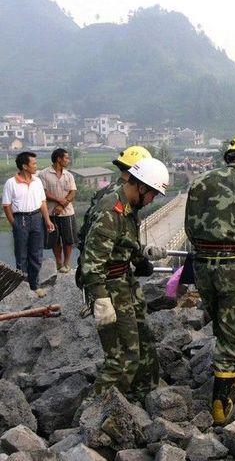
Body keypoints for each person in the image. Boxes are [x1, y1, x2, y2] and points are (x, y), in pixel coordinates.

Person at [184, 133, 235, 426]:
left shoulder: (199, 183)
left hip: (201, 265)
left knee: (222, 324)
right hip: (232, 264)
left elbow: (189, 228)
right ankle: (220, 400)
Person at [80, 157, 169, 401]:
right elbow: (92, 261)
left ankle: (135, 398)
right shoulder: (112, 210)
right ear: (141, 187)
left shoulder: (129, 208)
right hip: (109, 286)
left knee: (139, 345)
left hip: (122, 281)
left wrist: (144, 254)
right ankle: (95, 412)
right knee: (121, 358)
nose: (152, 200)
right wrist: (101, 300)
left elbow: (124, 244)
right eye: (153, 194)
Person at [76, 146, 152, 288]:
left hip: (91, 267)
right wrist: (142, 262)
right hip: (110, 275)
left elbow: (85, 232)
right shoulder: (129, 196)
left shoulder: (102, 193)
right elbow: (127, 239)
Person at [2, 152, 55, 298]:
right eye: (34, 164)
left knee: (36, 254)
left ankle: (35, 285)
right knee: (21, 255)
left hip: (36, 217)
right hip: (20, 219)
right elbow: (6, 206)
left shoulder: (37, 181)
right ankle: (23, 287)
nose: (36, 166)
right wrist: (14, 223)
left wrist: (47, 220)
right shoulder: (11, 183)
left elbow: (42, 202)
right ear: (25, 166)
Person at [39, 148, 78, 273]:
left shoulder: (69, 175)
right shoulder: (44, 174)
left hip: (67, 212)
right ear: (58, 159)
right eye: (66, 158)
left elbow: (73, 192)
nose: (68, 160)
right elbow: (43, 193)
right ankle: (58, 262)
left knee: (68, 240)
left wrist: (62, 205)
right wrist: (58, 200)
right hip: (51, 213)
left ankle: (66, 264)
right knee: (55, 240)